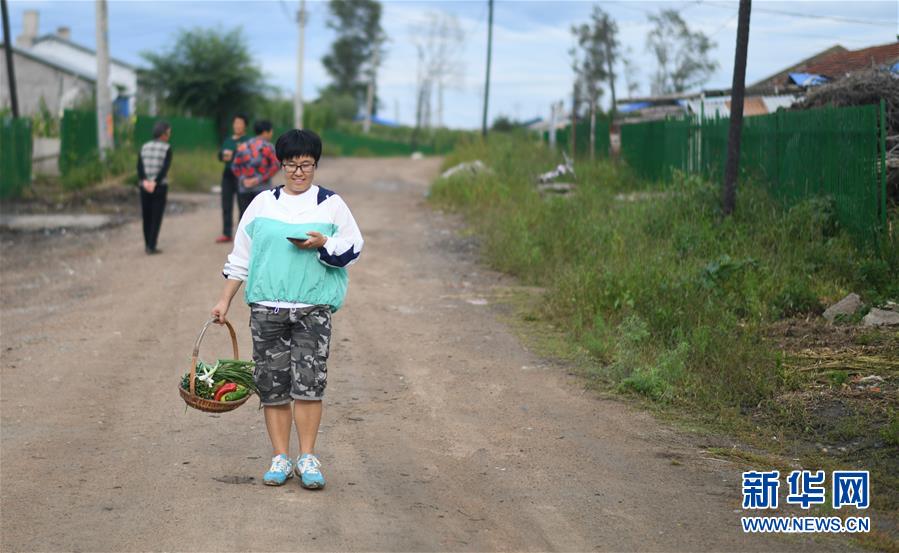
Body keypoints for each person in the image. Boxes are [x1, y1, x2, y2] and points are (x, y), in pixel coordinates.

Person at [211, 129, 363, 489]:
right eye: (291, 165)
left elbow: (353, 248)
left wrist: (324, 243)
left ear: (315, 165)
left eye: (306, 165)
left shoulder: (331, 204)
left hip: (313, 309)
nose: (298, 172)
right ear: (280, 165)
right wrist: (224, 300)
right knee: (272, 385)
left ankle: (307, 457)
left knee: (310, 385)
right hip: (267, 310)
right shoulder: (262, 204)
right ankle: (280, 457)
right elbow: (241, 258)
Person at [230, 119, 279, 221]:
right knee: (262, 218)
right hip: (262, 189)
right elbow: (275, 166)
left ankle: (243, 237)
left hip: (244, 188)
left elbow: (234, 166)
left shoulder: (243, 146)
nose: (271, 134)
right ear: (266, 132)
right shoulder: (268, 147)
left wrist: (243, 180)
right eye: (271, 131)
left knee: (245, 217)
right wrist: (259, 179)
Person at [136, 121, 172, 255]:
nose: (169, 135)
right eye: (168, 133)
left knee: (146, 215)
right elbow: (165, 168)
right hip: (159, 186)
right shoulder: (167, 148)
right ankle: (152, 245)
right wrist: (155, 182)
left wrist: (145, 180)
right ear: (163, 134)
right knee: (156, 216)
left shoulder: (144, 147)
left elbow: (139, 166)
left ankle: (147, 244)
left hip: (144, 186)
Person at [216, 114, 250, 244]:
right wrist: (222, 156)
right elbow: (220, 154)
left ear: (245, 125)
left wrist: (234, 154)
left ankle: (242, 234)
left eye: (240, 123)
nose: (237, 125)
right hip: (227, 175)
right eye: (235, 123)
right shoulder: (228, 140)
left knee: (243, 206)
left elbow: (248, 155)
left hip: (241, 176)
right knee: (226, 204)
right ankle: (226, 233)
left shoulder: (248, 140)